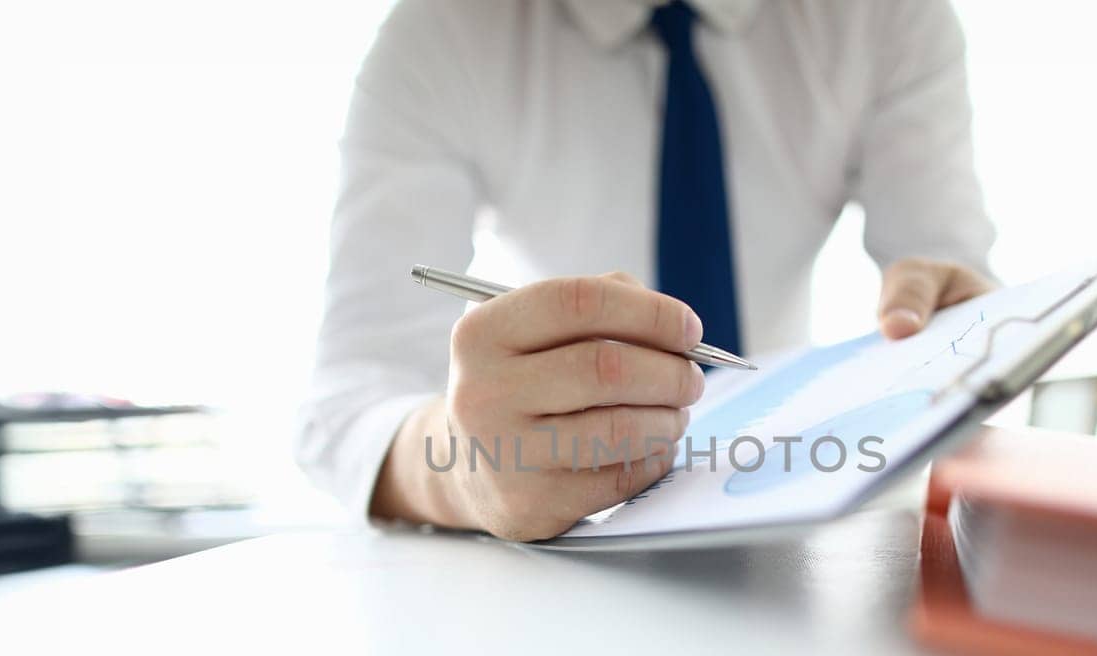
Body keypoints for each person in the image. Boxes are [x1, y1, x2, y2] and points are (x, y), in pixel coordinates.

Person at [297, 0, 996, 541]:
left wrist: (965, 331)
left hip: (809, 528)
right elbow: (344, 406)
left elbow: (955, 279)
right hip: (576, 563)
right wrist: (466, 472)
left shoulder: (886, 16)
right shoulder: (443, 33)